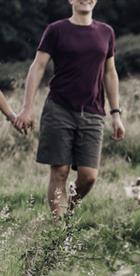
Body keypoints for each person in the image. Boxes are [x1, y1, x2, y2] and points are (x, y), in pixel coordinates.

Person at [14, 0, 125, 221]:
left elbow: (110, 73)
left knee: (89, 176)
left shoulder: (106, 32)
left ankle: (68, 210)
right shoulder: (56, 30)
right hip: (59, 108)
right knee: (60, 171)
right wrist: (27, 107)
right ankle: (58, 229)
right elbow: (38, 66)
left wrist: (116, 113)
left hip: (93, 112)